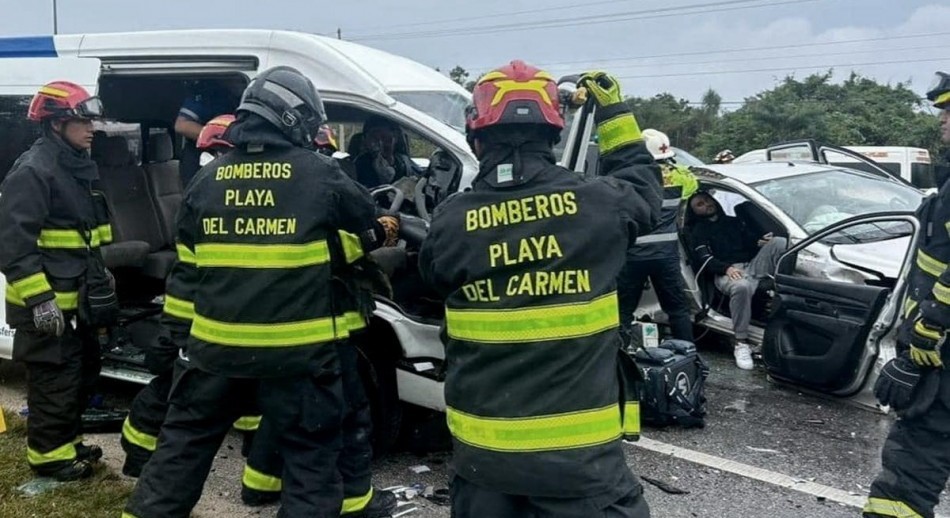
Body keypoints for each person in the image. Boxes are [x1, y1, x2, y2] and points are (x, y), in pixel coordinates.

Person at [122, 66, 395, 518]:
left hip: (213, 355)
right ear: (295, 117)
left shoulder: (205, 183)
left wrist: (175, 341)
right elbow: (364, 225)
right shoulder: (320, 174)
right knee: (311, 465)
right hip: (300, 358)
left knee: (180, 454)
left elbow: (186, 274)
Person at [418, 61, 661, 518]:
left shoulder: (450, 220)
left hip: (482, 465)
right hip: (580, 470)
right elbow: (645, 191)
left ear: (476, 137)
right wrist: (614, 114)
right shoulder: (599, 204)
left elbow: (432, 282)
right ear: (554, 136)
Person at [0, 81, 111, 481]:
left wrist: (101, 274)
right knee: (54, 383)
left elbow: (84, 236)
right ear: (55, 125)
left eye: (91, 121)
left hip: (75, 302)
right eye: (81, 121)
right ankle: (49, 460)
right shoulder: (34, 171)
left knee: (80, 375)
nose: (91, 129)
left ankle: (68, 444)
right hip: (45, 307)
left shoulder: (73, 168)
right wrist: (40, 300)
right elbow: (13, 247)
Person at [120, 113, 238, 478]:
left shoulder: (218, 190)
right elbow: (188, 276)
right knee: (173, 385)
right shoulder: (208, 195)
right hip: (198, 317)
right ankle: (138, 453)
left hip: (211, 315)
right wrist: (175, 335)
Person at [863, 71, 950, 518]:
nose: (942, 119)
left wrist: (920, 341)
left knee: (904, 483)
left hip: (941, 363)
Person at [685, 191, 786, 370]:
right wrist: (727, 268)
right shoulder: (697, 231)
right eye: (700, 204)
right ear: (695, 212)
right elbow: (704, 258)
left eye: (707, 200)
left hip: (752, 266)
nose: (706, 204)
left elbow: (749, 242)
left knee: (779, 242)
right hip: (725, 272)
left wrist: (760, 242)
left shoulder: (733, 222)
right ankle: (741, 342)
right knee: (742, 287)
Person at [616, 128, 698, 340]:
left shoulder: (633, 180)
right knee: (677, 310)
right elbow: (694, 185)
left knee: (623, 312)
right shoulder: (680, 179)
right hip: (666, 256)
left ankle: (620, 358)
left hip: (634, 256)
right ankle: (688, 356)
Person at [174, 81, 237, 186]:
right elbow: (181, 125)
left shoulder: (251, 94)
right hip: (201, 160)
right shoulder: (208, 94)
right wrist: (220, 136)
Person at [353, 116, 423, 188]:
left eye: (385, 137)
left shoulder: (405, 163)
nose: (381, 143)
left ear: (395, 138)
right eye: (374, 138)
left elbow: (422, 178)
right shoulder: (357, 167)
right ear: (365, 141)